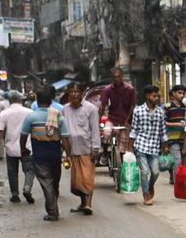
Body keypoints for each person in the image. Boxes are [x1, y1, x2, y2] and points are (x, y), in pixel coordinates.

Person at [20, 86, 71, 221]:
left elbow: (23, 135)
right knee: (54, 183)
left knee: (47, 183)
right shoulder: (59, 117)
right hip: (56, 155)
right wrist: (69, 156)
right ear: (51, 101)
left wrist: (23, 150)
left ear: (37, 100)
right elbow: (65, 138)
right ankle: (53, 206)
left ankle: (53, 212)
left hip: (39, 156)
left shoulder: (31, 117)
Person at [62, 82, 99, 215]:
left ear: (82, 93)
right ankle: (83, 203)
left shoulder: (91, 109)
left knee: (87, 178)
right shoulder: (65, 109)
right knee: (77, 181)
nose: (74, 94)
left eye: (76, 92)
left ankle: (88, 204)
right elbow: (63, 131)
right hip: (71, 150)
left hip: (87, 149)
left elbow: (95, 129)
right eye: (71, 92)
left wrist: (95, 148)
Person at [0, 91, 36, 203]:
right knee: (29, 170)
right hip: (27, 146)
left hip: (11, 148)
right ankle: (27, 187)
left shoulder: (4, 113)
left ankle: (15, 194)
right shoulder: (29, 112)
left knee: (12, 171)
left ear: (9, 101)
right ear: (21, 100)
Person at [129, 84, 167, 205]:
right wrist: (130, 147)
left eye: (157, 96)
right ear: (147, 96)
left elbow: (163, 130)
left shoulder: (160, 112)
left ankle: (150, 185)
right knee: (145, 172)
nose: (156, 98)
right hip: (141, 146)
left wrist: (165, 145)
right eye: (153, 96)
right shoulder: (138, 111)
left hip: (155, 147)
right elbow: (134, 129)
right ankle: (146, 195)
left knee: (155, 172)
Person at [102, 67, 137, 153]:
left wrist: (127, 121)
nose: (117, 79)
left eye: (118, 76)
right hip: (112, 119)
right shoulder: (108, 89)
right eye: (115, 77)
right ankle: (105, 153)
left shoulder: (130, 89)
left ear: (122, 76)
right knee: (106, 134)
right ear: (112, 78)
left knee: (123, 145)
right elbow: (102, 105)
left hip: (125, 119)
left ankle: (121, 164)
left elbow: (133, 106)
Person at [162, 83, 186, 176]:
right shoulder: (167, 107)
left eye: (183, 93)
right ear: (174, 93)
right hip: (172, 139)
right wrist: (176, 124)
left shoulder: (185, 108)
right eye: (179, 93)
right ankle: (177, 184)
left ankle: (182, 182)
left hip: (184, 138)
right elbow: (162, 122)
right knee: (177, 161)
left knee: (185, 163)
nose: (181, 95)